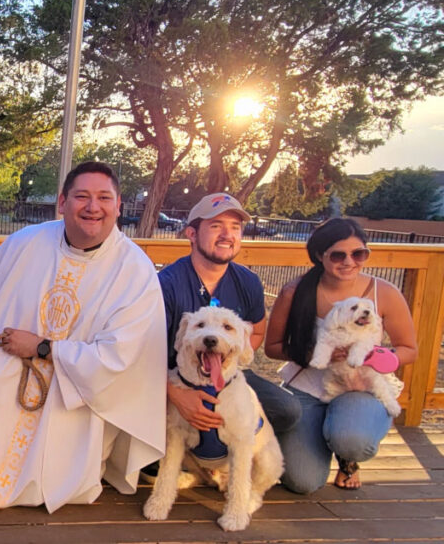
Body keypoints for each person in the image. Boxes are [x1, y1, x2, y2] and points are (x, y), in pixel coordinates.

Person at [0, 161, 167, 513]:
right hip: (16, 357)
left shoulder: (135, 271)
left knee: (64, 413)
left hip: (82, 382)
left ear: (118, 206)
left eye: (103, 198)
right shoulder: (28, 241)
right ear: (62, 202)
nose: (92, 207)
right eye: (81, 196)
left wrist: (43, 348)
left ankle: (41, 481)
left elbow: (119, 357)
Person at [265, 218, 416, 493]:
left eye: (358, 254)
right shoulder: (295, 292)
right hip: (308, 386)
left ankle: (347, 455)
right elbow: (272, 347)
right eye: (338, 254)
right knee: (303, 481)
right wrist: (312, 353)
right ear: (320, 256)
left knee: (351, 439)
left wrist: (372, 355)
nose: (349, 261)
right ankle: (322, 432)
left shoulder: (384, 293)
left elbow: (408, 349)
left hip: (362, 385)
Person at [157, 194, 301, 436]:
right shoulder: (165, 284)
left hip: (227, 376)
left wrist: (229, 360)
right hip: (170, 379)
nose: (227, 235)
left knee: (287, 409)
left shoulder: (248, 281)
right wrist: (177, 394)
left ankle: (233, 457)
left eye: (235, 227)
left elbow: (255, 329)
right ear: (191, 234)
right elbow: (141, 353)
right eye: (216, 226)